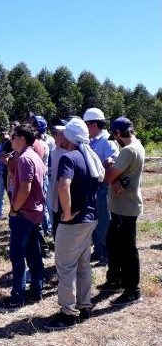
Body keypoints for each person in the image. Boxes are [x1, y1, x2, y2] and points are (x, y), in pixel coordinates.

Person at [45, 118, 104, 329]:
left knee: (65, 266)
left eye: (62, 133)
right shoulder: (90, 157)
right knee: (82, 264)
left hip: (74, 222)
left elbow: (63, 185)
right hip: (90, 218)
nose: (58, 136)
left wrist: (67, 213)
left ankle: (68, 312)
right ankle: (85, 305)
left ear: (70, 137)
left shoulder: (68, 158)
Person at [0, 124, 46, 311]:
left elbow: (25, 188)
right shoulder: (35, 157)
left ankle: (17, 297)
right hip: (34, 213)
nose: (11, 138)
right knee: (34, 253)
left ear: (22, 138)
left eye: (14, 135)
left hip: (23, 213)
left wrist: (14, 209)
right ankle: (36, 290)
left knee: (17, 255)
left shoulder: (24, 159)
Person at [99, 117, 145, 306]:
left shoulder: (128, 150)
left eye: (115, 135)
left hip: (126, 207)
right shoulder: (137, 145)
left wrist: (109, 165)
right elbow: (116, 176)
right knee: (113, 242)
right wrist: (114, 173)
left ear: (118, 133)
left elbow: (108, 176)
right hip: (123, 206)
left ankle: (132, 290)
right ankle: (116, 280)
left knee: (127, 249)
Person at [83, 108, 120, 266]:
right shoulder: (91, 141)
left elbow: (114, 163)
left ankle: (107, 253)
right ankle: (98, 250)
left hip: (103, 186)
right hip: (92, 187)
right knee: (94, 222)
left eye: (87, 124)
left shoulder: (107, 141)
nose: (85, 128)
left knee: (104, 222)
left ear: (94, 125)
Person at [46, 120, 70, 236]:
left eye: (55, 133)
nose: (53, 136)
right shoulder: (55, 152)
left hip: (66, 199)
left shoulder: (70, 154)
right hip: (55, 196)